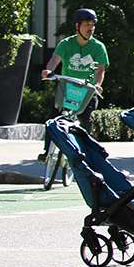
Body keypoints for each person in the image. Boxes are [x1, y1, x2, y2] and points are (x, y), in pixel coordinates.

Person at [39, 9, 108, 159]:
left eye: (93, 25)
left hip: (88, 91)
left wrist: (97, 85)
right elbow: (55, 59)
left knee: (86, 119)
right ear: (77, 26)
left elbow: (100, 70)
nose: (91, 29)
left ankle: (87, 152)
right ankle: (47, 152)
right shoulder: (66, 44)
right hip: (67, 89)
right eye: (87, 24)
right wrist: (48, 71)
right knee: (53, 118)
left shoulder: (98, 47)